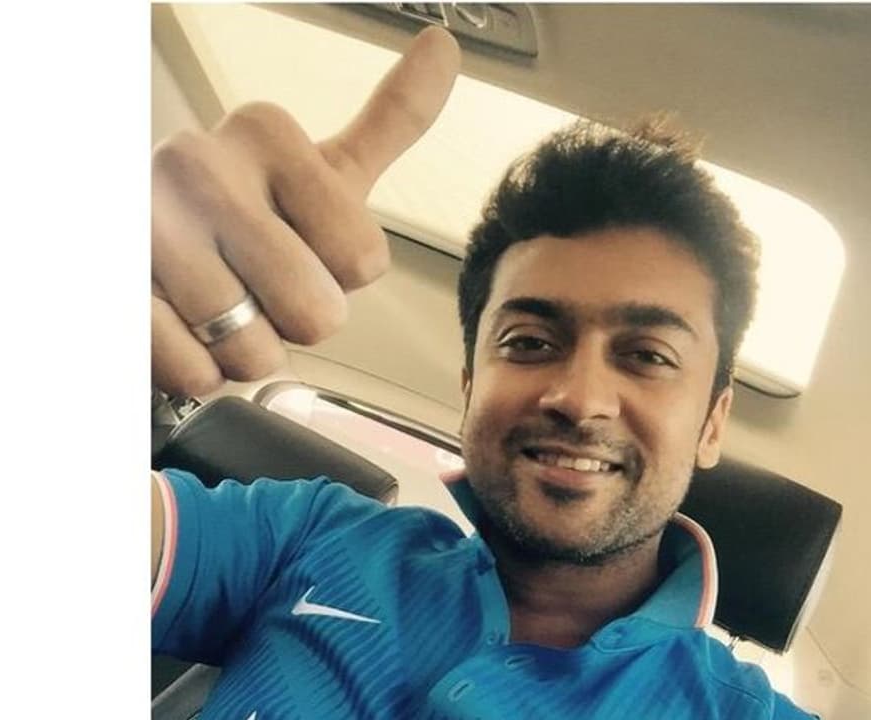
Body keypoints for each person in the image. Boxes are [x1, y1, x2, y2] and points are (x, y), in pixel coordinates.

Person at [151, 26, 815, 719]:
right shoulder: (313, 534)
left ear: (712, 424)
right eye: (530, 342)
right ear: (470, 386)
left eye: (648, 356)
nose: (580, 397)